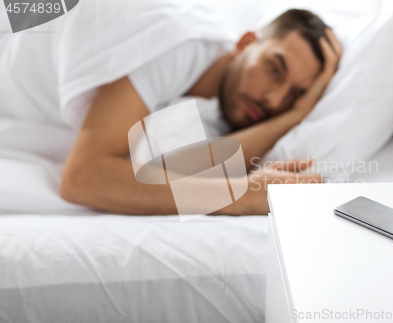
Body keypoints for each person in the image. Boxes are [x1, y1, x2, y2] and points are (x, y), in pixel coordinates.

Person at [60, 9, 343, 215]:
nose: (275, 99)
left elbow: (162, 173)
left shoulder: (225, 115)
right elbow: (83, 178)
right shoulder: (177, 45)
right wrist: (242, 194)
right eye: (274, 69)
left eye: (296, 95)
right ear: (245, 43)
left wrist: (293, 116)